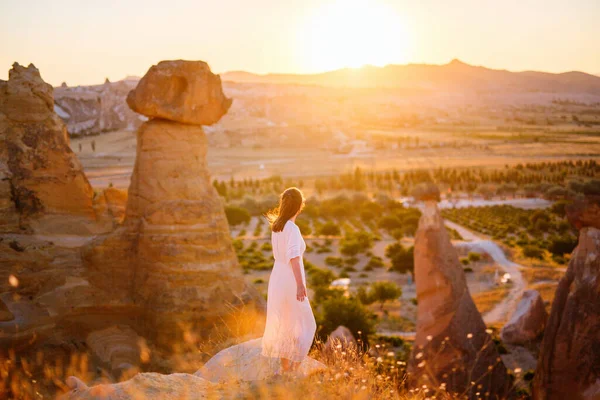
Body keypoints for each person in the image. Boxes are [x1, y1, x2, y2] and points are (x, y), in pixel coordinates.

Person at [262, 187, 316, 373]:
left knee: (286, 322)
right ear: (300, 206)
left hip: (277, 277)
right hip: (290, 278)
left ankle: (286, 370)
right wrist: (300, 285)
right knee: (307, 323)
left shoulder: (277, 227)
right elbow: (294, 257)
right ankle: (293, 369)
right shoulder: (292, 228)